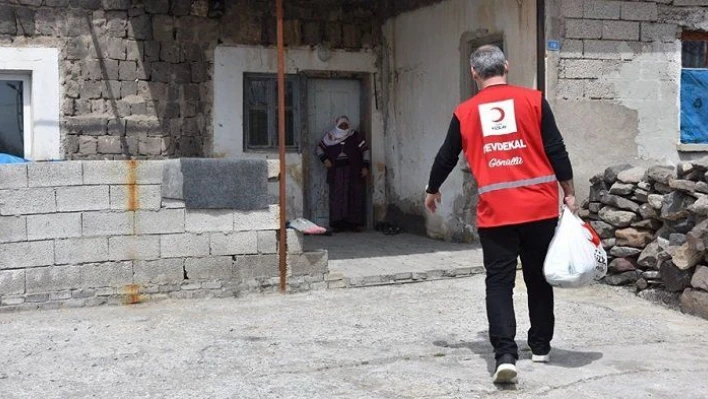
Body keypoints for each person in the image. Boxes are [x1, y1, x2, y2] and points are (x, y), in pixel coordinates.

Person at [424, 45, 577, 384]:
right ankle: (540, 347)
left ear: (474, 73)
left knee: (499, 283)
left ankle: (505, 356)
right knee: (538, 278)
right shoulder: (534, 101)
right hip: (539, 208)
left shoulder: (466, 112)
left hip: (497, 213)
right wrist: (568, 190)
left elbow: (447, 155)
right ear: (506, 66)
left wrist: (433, 189)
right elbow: (556, 148)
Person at [317, 116, 370, 232]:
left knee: (353, 195)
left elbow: (365, 150)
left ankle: (353, 224)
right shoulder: (330, 136)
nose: (344, 127)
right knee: (338, 196)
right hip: (336, 172)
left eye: (346, 125)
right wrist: (325, 160)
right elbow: (319, 149)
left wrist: (365, 166)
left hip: (353, 171)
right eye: (341, 125)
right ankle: (338, 224)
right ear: (337, 125)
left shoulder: (355, 136)